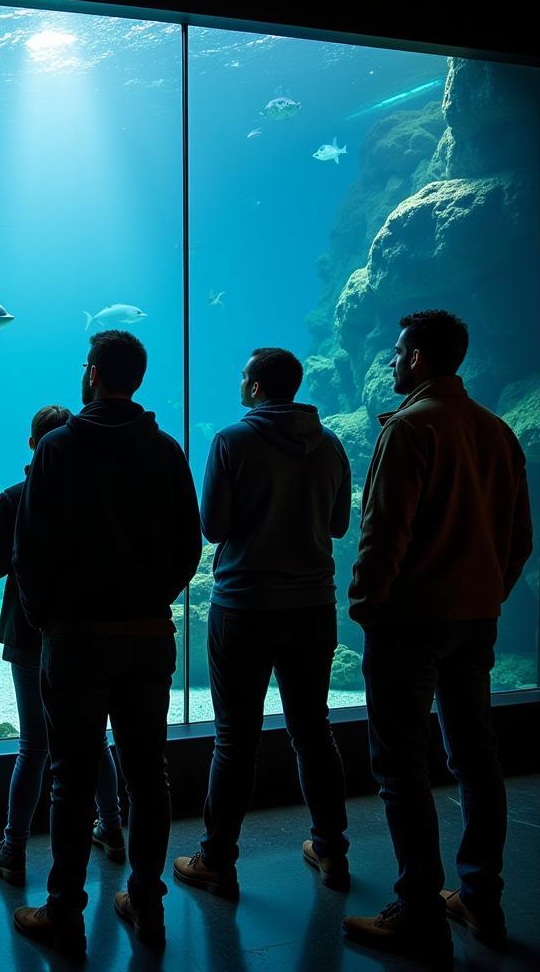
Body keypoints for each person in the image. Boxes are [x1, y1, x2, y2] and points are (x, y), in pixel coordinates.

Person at [342, 310, 533, 965]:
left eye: (396, 352)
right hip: (475, 622)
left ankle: (417, 908)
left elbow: (383, 532)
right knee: (477, 759)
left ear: (419, 358)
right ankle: (480, 896)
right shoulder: (497, 432)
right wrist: (485, 595)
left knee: (401, 765)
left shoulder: (410, 428)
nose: (390, 363)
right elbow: (521, 539)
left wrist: (367, 607)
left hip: (409, 623)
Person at [11, 331, 202, 956]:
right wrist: (155, 598)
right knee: (149, 775)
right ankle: (147, 901)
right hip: (148, 636)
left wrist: (47, 618)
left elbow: (30, 548)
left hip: (74, 638)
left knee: (70, 776)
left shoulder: (58, 450)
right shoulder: (167, 451)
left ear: (92, 373)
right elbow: (189, 546)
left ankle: (64, 910)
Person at [174, 347, 352, 900]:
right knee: (313, 730)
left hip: (244, 606)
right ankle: (331, 850)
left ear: (254, 387)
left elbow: (213, 526)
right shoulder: (330, 444)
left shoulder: (231, 441)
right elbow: (341, 525)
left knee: (235, 739)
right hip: (312, 606)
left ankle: (217, 860)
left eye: (242, 375)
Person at [0, 405, 124, 886]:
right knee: (94, 736)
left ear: (30, 443)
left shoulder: (14, 496)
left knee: (34, 745)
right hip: (88, 629)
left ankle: (14, 847)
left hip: (28, 633)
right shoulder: (95, 494)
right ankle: (114, 828)